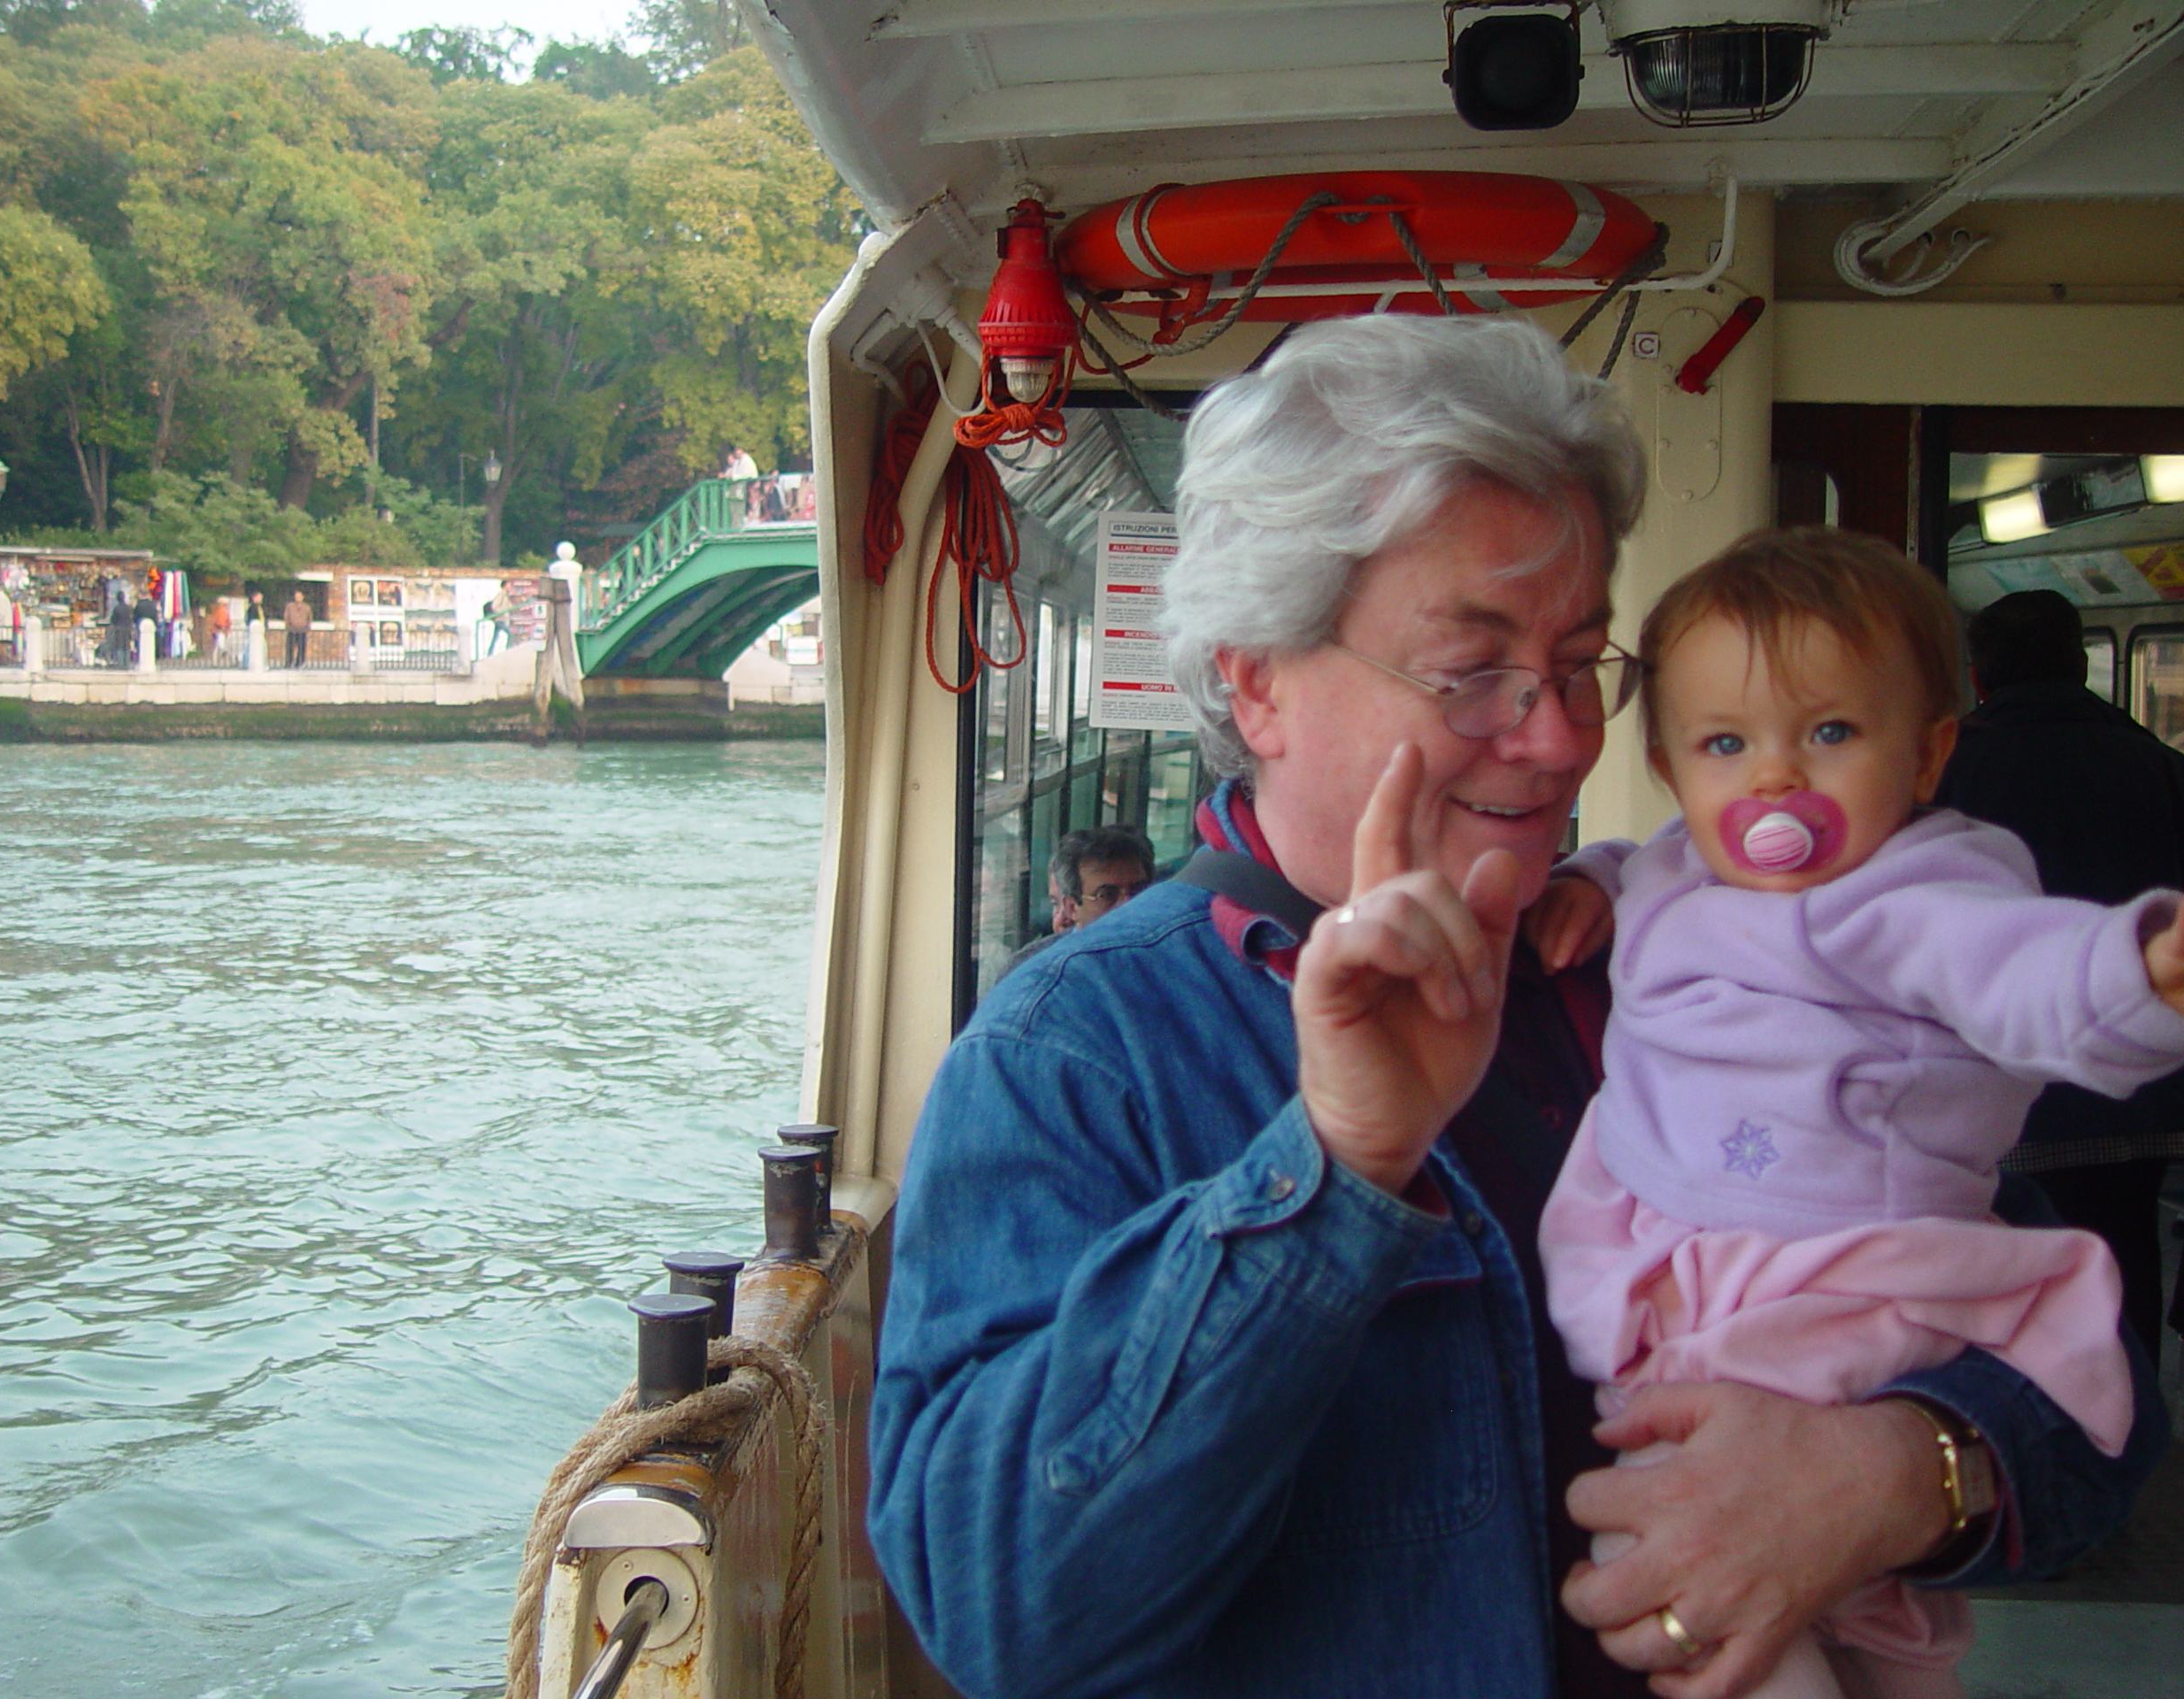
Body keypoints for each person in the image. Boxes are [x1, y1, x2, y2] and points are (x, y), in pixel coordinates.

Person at [865, 317, 2165, 1699]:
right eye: (1471, 668)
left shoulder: (1686, 955)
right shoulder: (1077, 1055)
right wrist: (1336, 1168)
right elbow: (997, 1614)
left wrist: (1898, 1476)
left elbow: (2093, 1395)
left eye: (1579, 664)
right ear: (1256, 679)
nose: (1555, 738)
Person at [1526, 532, 2175, 1698]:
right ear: (1674, 769)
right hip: (1692, 1259)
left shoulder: (1916, 893)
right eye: (1727, 744)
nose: (1774, 778)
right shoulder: (1679, 868)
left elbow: (2025, 970)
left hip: (1832, 1284)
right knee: (1797, 1602)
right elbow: (1641, 862)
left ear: (1929, 755)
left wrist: (2136, 973)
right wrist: (1589, 884)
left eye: (1830, 734)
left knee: (1707, 1569)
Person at [1935, 588, 2184, 1350]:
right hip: (2140, 1089)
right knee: (2124, 1254)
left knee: (1997, 1273)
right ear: (2081, 665)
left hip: (1992, 1085)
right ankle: (2125, 1423)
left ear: (1977, 677)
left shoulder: (1939, 777)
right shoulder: (2166, 770)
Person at [1001, 822, 1157, 977]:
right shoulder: (1029, 974)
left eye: (1139, 890)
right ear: (1072, 908)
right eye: (1107, 895)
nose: (1127, 905)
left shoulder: (1171, 956)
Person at [283, 589, 312, 668]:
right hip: (292, 630)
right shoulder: (290, 606)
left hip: (302, 630)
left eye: (299, 597)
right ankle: (289, 663)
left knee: (302, 647)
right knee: (290, 647)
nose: (297, 598)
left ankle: (299, 663)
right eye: (296, 597)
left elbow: (309, 618)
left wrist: (307, 627)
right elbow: (286, 617)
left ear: (302, 597)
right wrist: (288, 626)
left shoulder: (306, 607)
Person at [107, 589, 135, 669]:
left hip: (119, 630)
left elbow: (113, 620)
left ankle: (121, 664)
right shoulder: (129, 608)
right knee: (127, 646)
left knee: (119, 646)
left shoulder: (117, 608)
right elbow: (131, 618)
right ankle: (127, 663)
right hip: (127, 629)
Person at [208, 596, 235, 664]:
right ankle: (223, 654)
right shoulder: (223, 611)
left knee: (217, 646)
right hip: (220, 630)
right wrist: (224, 627)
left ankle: (216, 659)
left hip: (218, 630)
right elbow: (221, 621)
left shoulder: (220, 610)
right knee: (220, 644)